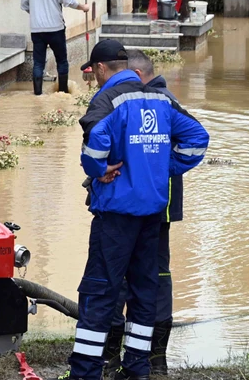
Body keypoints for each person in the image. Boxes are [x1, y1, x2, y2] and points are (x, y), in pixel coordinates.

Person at [61, 39, 208, 380]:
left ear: (100, 69)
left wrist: (98, 170)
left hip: (117, 215)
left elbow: (94, 138)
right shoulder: (160, 98)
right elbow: (198, 139)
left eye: (94, 74)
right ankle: (137, 368)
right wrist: (163, 168)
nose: (95, 80)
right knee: (144, 291)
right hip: (152, 216)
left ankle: (84, 372)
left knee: (100, 290)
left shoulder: (110, 98)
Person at [100, 49, 185, 375]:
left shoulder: (158, 100)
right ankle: (145, 359)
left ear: (135, 76)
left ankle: (130, 357)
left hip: (147, 206)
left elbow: (190, 139)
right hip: (148, 203)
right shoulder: (157, 100)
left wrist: (159, 168)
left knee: (136, 275)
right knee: (151, 275)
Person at [20, 0, 90, 95]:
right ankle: (62, 94)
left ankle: (37, 95)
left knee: (38, 63)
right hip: (55, 29)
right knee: (62, 61)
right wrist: (82, 7)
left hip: (37, 30)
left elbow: (25, 4)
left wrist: (37, 16)